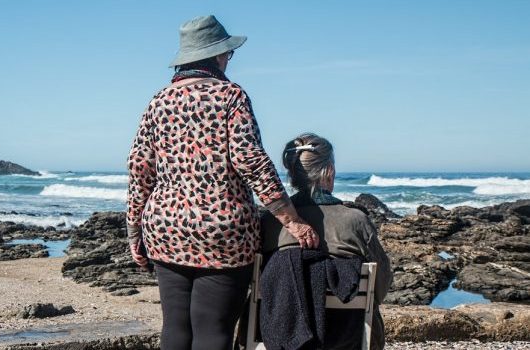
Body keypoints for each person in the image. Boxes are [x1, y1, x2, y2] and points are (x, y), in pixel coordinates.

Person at [126, 15, 319, 350]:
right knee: (213, 330)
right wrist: (293, 220)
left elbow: (139, 170)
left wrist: (134, 233)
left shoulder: (158, 102)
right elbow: (251, 161)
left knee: (175, 328)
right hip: (223, 232)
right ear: (217, 55)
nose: (228, 60)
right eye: (228, 54)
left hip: (165, 228)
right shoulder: (231, 96)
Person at [260, 132, 393, 349]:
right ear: (329, 171)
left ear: (293, 174)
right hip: (346, 336)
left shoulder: (270, 222)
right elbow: (381, 285)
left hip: (278, 335)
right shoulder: (355, 221)